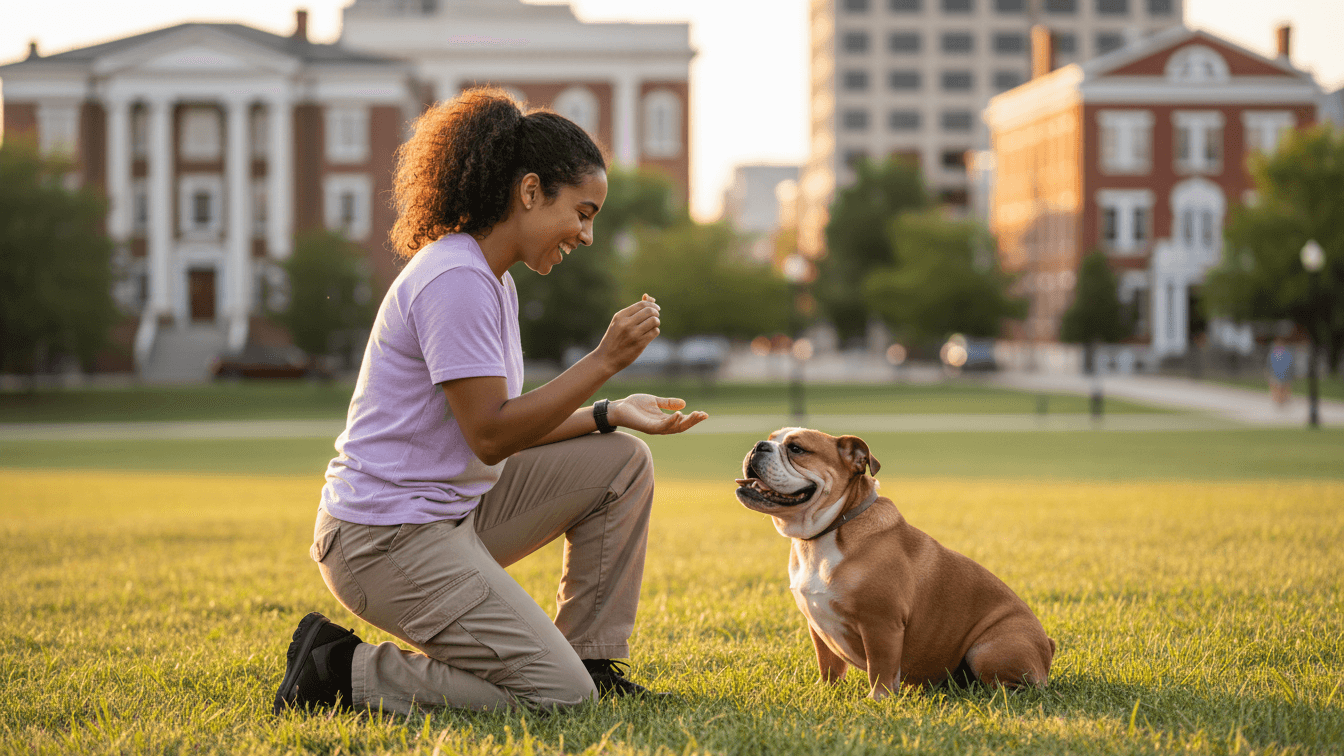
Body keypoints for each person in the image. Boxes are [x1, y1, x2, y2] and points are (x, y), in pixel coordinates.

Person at [273, 88, 708, 717]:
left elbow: (500, 427)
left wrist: (610, 412)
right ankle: (338, 669)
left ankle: (590, 658)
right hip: (383, 541)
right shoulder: (454, 280)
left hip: (450, 514)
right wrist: (604, 360)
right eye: (582, 213)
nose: (586, 235)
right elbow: (492, 435)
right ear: (529, 192)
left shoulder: (490, 278)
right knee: (559, 698)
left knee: (622, 461)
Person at [1268, 337, 1294, 407]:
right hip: (1279, 372)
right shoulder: (1282, 351)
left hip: (1281, 372)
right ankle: (1280, 399)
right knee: (1280, 386)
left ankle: (1280, 399)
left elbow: (1289, 362)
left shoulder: (1278, 352)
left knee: (1281, 386)